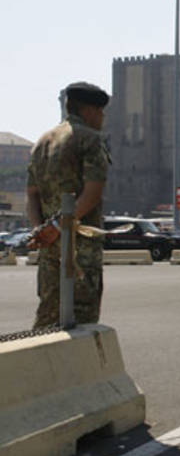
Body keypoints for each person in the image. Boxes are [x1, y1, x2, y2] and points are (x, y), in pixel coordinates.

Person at [26, 82, 111, 328]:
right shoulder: (90, 139)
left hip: (49, 247)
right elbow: (92, 193)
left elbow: (32, 196)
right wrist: (58, 227)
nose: (102, 118)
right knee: (82, 319)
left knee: (47, 317)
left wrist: (41, 230)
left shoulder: (42, 142)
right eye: (100, 112)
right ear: (89, 111)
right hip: (79, 248)